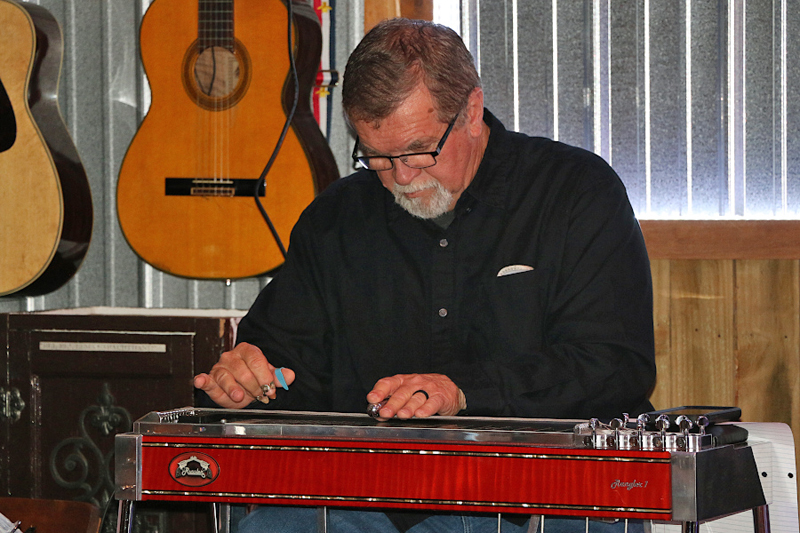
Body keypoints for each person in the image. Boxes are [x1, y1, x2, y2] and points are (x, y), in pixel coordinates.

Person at [193, 17, 656, 533]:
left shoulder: (574, 194)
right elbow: (285, 365)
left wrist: (463, 392)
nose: (402, 177)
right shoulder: (335, 221)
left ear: (472, 112)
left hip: (540, 492)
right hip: (370, 496)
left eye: (417, 150)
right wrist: (250, 380)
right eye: (376, 157)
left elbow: (615, 365)